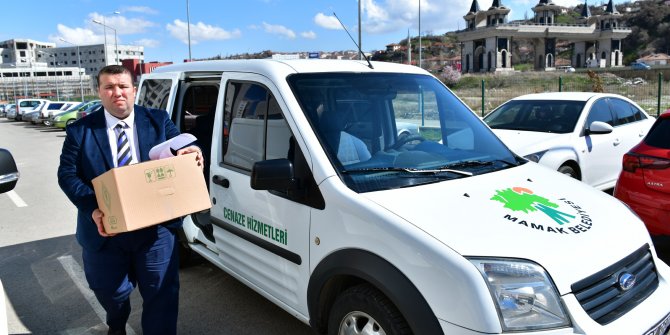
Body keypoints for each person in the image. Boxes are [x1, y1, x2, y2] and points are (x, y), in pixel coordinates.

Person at [57, 65, 203, 335]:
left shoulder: (158, 120)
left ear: (134, 90)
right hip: (106, 231)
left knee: (163, 297)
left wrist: (190, 151)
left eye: (123, 86)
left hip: (155, 230)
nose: (117, 93)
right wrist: (94, 209)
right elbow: (67, 176)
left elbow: (179, 145)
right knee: (110, 293)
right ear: (99, 92)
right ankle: (116, 322)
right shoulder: (80, 130)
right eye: (109, 87)